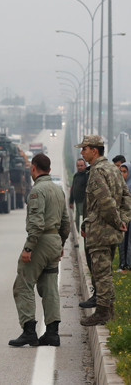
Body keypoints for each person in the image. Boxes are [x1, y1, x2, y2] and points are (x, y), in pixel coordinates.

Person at [8, 153, 71, 347]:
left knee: (23, 284)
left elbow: (36, 223)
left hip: (41, 242)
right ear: (50, 170)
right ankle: (52, 333)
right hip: (54, 241)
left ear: (33, 168)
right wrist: (60, 243)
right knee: (49, 286)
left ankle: (29, 330)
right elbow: (66, 222)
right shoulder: (58, 190)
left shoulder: (37, 191)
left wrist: (28, 248)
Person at [77, 135, 131, 326]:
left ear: (95, 150)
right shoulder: (113, 169)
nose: (82, 152)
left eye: (84, 149)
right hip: (112, 231)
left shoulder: (98, 171)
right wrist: (123, 220)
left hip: (101, 230)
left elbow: (105, 201)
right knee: (105, 272)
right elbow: (126, 197)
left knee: (101, 274)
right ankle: (110, 310)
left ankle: (102, 312)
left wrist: (118, 221)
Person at [69, 158, 88, 232]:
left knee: (82, 220)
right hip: (76, 202)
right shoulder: (76, 176)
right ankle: (78, 234)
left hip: (83, 202)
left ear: (85, 166)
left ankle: (82, 236)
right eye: (78, 166)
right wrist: (71, 201)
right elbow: (73, 188)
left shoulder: (87, 175)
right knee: (77, 220)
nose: (79, 167)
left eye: (81, 165)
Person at [119, 162, 131, 271]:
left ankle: (128, 263)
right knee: (122, 242)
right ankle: (123, 263)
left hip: (129, 218)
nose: (122, 174)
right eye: (120, 171)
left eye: (125, 171)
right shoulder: (121, 186)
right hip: (124, 218)